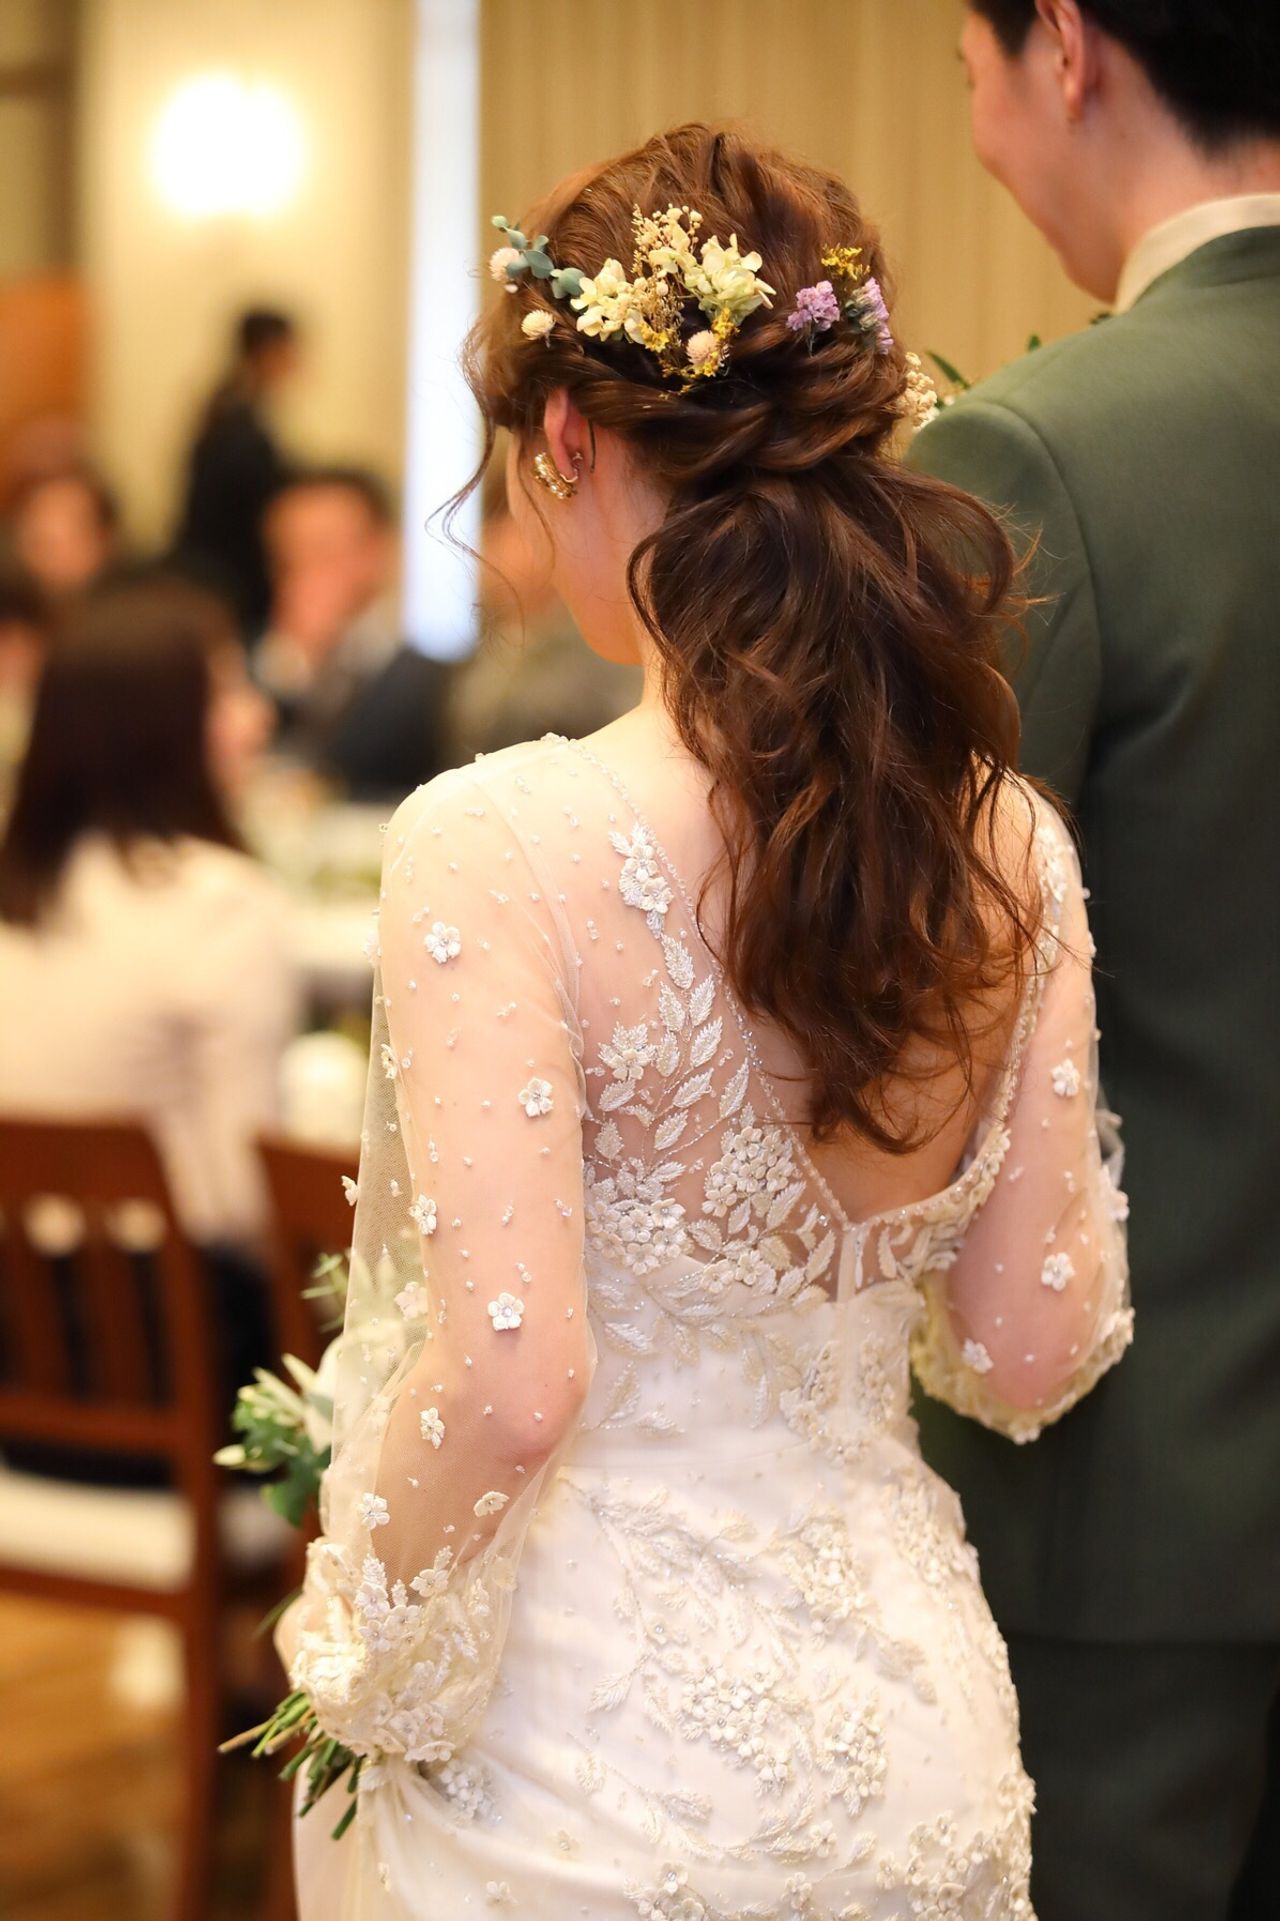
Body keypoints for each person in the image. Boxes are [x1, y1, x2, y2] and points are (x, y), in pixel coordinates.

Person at [280, 124, 1130, 1920]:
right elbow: (1031, 1342)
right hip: (917, 1748)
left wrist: (353, 1653)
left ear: (568, 440)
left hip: (581, 1776)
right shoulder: (1012, 846)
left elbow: (514, 1383)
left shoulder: (500, 840)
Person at [906, 5, 1280, 1916]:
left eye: (966, 72)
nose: (982, 126)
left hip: (1136, 1512)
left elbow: (910, 989)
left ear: (1066, 45)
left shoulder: (1047, 452)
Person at [0, 574, 296, 1263]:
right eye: (227, 692)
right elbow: (245, 1201)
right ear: (158, 725)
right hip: (168, 1305)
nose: (257, 718)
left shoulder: (21, 883)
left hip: (14, 1299)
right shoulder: (220, 902)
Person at [257, 466, 448, 800]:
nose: (305, 568)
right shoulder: (258, 659)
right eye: (288, 554)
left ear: (378, 549)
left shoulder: (423, 671)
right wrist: (293, 661)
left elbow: (345, 773)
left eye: (322, 548)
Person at [173, 307, 300, 637]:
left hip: (215, 577)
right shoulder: (238, 428)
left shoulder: (228, 410)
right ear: (269, 352)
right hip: (229, 585)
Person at [7, 464, 121, 600]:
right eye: (44, 545)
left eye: (75, 541)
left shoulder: (134, 603)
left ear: (105, 537)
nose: (60, 560)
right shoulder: (10, 603)